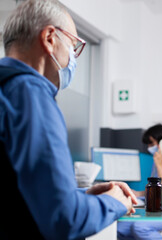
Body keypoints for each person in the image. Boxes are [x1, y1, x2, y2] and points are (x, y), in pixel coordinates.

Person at [0, 0, 137, 239]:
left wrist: (82, 197)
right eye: (73, 47)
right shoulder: (32, 97)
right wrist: (114, 202)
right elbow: (64, 220)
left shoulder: (7, 90)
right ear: (50, 38)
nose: (73, 60)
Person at [117, 124, 162, 240]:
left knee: (140, 227)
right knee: (120, 229)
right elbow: (155, 189)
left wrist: (159, 164)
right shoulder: (158, 162)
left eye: (151, 143)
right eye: (148, 144)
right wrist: (138, 194)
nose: (149, 147)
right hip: (157, 208)